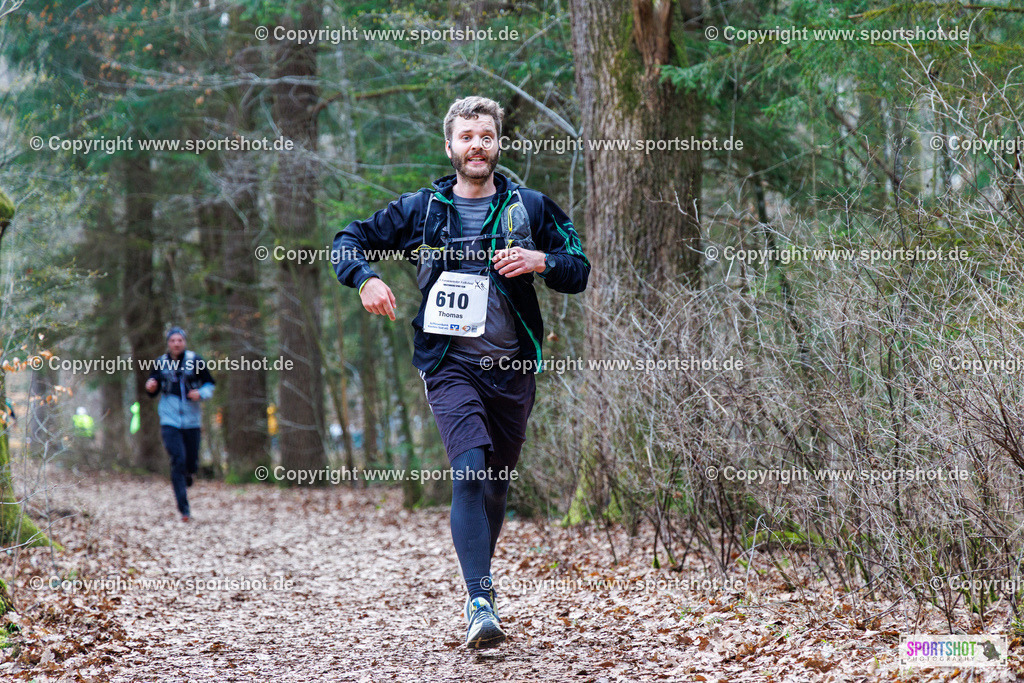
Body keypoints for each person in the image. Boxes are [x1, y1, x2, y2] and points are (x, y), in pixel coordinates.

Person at [332, 96, 589, 648]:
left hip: (513, 368)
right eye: (467, 136)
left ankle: (481, 586)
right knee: (469, 470)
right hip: (449, 365)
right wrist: (365, 279)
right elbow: (346, 240)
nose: (477, 145)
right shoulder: (423, 210)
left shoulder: (532, 208)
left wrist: (541, 261)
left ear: (498, 144)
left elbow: (579, 269)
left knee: (495, 484)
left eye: (487, 136)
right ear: (449, 146)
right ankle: (479, 601)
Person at [144, 327, 215, 522]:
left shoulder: (196, 361)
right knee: (178, 459)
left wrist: (200, 394)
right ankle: (184, 510)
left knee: (190, 462)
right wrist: (150, 386)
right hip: (169, 420)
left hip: (192, 421)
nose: (176, 343)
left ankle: (189, 474)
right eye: (173, 340)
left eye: (180, 340)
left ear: (184, 342)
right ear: (168, 343)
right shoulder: (160, 363)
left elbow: (210, 384)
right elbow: (152, 387)